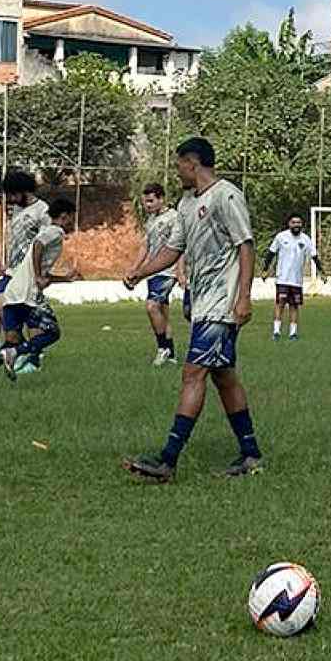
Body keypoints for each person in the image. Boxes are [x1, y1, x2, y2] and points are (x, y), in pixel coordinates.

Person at [120, 137, 262, 481]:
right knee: (224, 377)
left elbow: (246, 246)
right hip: (202, 303)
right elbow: (173, 248)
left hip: (221, 305)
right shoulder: (186, 203)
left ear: (192, 163)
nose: (176, 170)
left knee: (192, 373)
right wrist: (141, 271)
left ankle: (167, 460)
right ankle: (251, 455)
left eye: (179, 164)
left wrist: (243, 298)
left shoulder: (227, 195)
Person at [0, 196, 77, 387]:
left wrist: (64, 278)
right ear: (65, 216)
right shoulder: (55, 232)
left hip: (14, 292)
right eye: (72, 218)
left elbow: (41, 269)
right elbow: (38, 246)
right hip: (28, 296)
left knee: (11, 340)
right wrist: (38, 276)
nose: (73, 223)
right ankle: (18, 354)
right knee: (52, 333)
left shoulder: (47, 231)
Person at [0, 171, 48, 363]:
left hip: (27, 271)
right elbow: (14, 239)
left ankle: (29, 351)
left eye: (12, 194)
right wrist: (6, 262)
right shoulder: (17, 209)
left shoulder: (42, 211)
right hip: (11, 269)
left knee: (14, 309)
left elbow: (45, 243)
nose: (9, 199)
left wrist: (39, 269)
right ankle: (24, 350)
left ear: (24, 191)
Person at [139, 183, 182, 365]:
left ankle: (162, 347)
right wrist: (136, 269)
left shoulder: (174, 217)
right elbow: (145, 247)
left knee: (151, 306)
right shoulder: (150, 221)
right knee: (162, 313)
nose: (147, 205)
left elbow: (181, 246)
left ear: (161, 198)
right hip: (154, 271)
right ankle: (171, 354)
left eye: (150, 201)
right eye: (145, 202)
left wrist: (181, 270)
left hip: (168, 271)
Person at [263, 214, 322, 342]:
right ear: (289, 224)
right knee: (280, 304)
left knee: (294, 306)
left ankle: (293, 333)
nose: (296, 225)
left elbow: (314, 256)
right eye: (294, 222)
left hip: (297, 281)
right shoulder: (281, 237)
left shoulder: (306, 239)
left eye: (299, 222)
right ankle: (276, 331)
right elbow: (271, 253)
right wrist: (265, 270)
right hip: (282, 279)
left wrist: (321, 272)